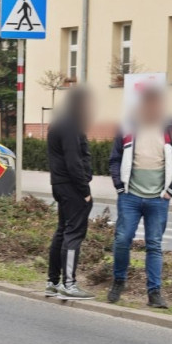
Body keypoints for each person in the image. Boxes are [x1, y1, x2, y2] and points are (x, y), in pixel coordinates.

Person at [107, 85, 172, 308]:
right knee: (122, 240)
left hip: (158, 198)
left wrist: (170, 191)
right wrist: (119, 185)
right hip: (130, 196)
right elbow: (115, 158)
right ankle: (118, 281)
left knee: (154, 245)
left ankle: (154, 293)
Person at [46, 86, 95, 300]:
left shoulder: (59, 123)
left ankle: (52, 281)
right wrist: (84, 190)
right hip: (72, 186)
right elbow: (73, 160)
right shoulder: (70, 126)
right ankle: (69, 284)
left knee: (62, 231)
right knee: (73, 234)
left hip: (60, 184)